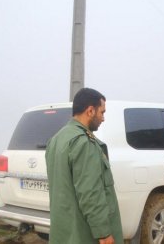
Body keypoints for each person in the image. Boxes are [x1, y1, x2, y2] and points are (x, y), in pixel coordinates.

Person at [45, 88, 123, 244]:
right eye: (102, 112)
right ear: (90, 111)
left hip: (64, 233)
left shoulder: (56, 139)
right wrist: (104, 233)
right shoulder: (84, 143)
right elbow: (91, 194)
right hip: (83, 235)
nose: (103, 118)